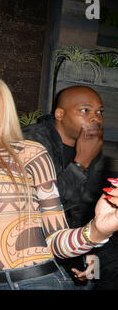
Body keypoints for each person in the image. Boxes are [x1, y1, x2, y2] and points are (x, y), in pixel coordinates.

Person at [0, 75, 118, 290]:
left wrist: (97, 231)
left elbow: (56, 242)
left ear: (1, 113)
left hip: (34, 283)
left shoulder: (29, 154)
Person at [22, 86, 111, 288]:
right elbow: (39, 206)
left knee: (96, 275)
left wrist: (90, 258)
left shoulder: (90, 145)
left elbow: (88, 209)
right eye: (85, 110)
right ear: (60, 114)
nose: (95, 118)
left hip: (69, 245)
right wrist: (80, 164)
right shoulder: (31, 143)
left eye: (99, 112)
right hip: (30, 250)